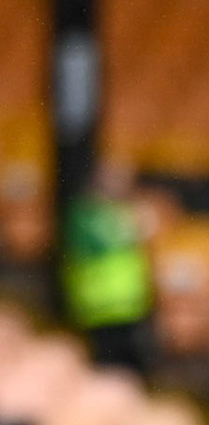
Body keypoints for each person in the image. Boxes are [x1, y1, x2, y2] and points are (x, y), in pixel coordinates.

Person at [62, 159, 154, 378]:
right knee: (105, 369)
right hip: (99, 310)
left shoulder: (125, 211)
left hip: (133, 307)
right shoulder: (85, 215)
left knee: (133, 371)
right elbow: (102, 242)